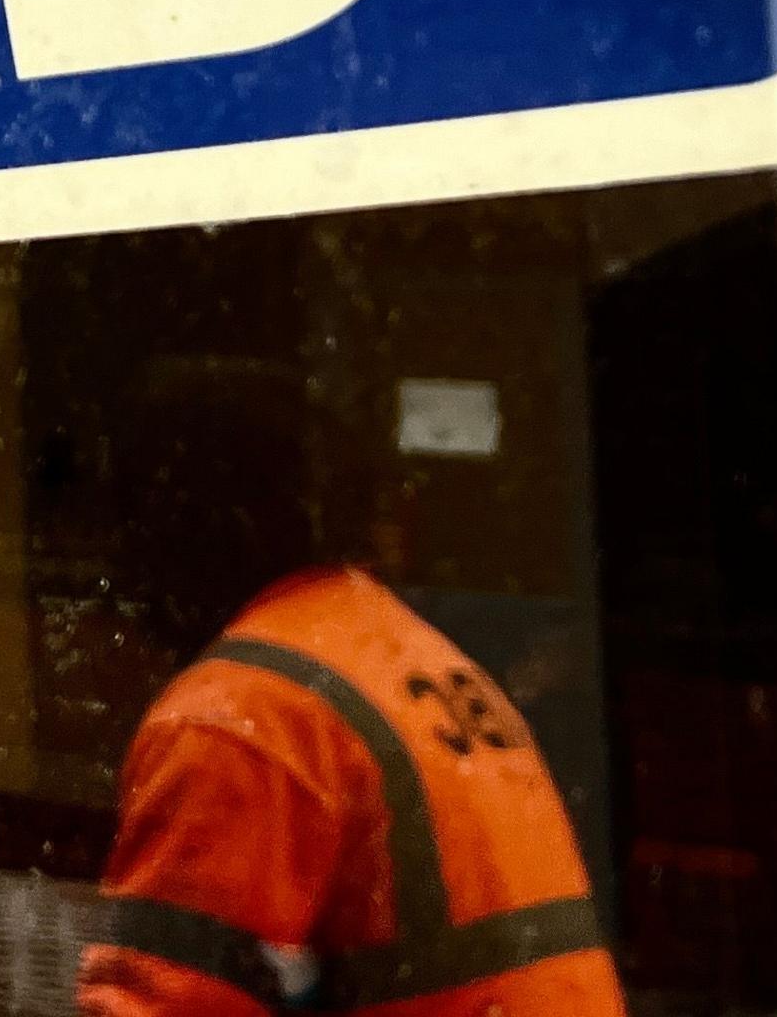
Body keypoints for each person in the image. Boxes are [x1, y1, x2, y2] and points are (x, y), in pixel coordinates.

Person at [80, 361, 624, 1017]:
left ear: (199, 525)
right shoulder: (405, 657)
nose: (119, 565)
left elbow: (167, 1006)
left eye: (133, 523)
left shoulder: (241, 713)